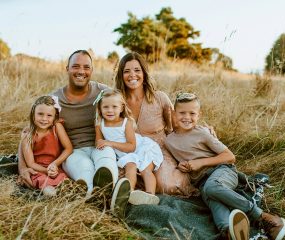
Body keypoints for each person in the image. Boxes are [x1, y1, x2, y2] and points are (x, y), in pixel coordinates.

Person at [18, 50, 131, 217]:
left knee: (106, 161)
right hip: (73, 152)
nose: (81, 71)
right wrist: (22, 167)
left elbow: (125, 115)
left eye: (86, 67)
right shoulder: (54, 101)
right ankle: (98, 196)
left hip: (101, 145)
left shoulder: (103, 93)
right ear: (67, 69)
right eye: (76, 66)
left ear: (92, 70)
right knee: (84, 171)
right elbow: (28, 133)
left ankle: (110, 189)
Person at [165, 92, 285, 240]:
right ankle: (229, 233)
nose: (187, 117)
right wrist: (183, 166)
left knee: (212, 188)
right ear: (173, 113)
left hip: (223, 171)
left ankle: (264, 217)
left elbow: (230, 157)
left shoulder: (203, 133)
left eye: (192, 113)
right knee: (213, 200)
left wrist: (200, 162)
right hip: (202, 183)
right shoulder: (169, 141)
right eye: (182, 113)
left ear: (199, 115)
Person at [114, 52, 196, 196]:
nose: (132, 75)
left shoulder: (160, 98)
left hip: (158, 152)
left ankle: (166, 180)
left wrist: (203, 129)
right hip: (129, 153)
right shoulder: (116, 101)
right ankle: (135, 190)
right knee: (116, 182)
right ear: (121, 75)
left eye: (137, 70)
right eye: (127, 71)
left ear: (144, 73)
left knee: (166, 185)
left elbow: (179, 125)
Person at [94, 88, 163, 205]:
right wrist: (104, 146)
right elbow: (99, 142)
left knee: (145, 170)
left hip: (141, 148)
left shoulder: (126, 123)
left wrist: (110, 143)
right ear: (100, 108)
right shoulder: (99, 124)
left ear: (121, 107)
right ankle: (127, 193)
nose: (110, 110)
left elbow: (132, 147)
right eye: (106, 107)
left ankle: (150, 195)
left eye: (114, 107)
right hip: (124, 153)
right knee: (129, 164)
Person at [21, 95, 72, 196]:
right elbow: (30, 163)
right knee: (42, 181)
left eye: (49, 115)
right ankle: (50, 192)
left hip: (55, 166)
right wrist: (46, 170)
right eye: (40, 114)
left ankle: (65, 189)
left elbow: (68, 148)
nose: (44, 119)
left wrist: (54, 164)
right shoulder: (28, 135)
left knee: (62, 177)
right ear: (33, 114)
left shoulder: (57, 127)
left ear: (54, 117)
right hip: (38, 169)